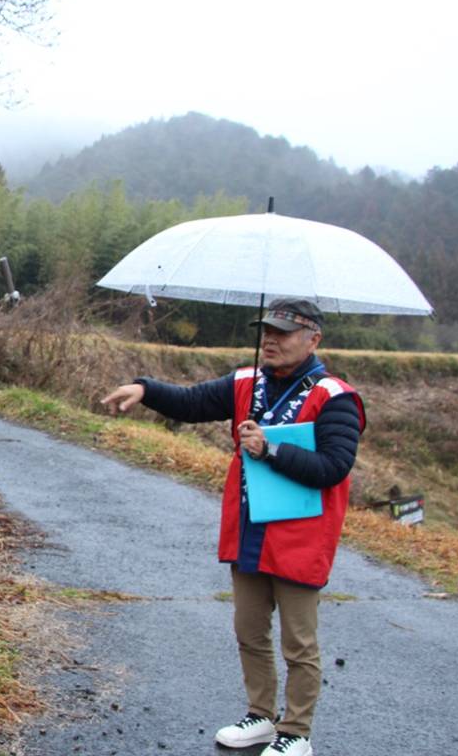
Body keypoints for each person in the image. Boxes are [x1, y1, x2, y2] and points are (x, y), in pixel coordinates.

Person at [101, 298, 364, 756]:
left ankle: (297, 732)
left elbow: (335, 466)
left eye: (283, 332)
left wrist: (271, 450)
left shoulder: (336, 396)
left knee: (299, 641)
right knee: (249, 629)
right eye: (267, 330)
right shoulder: (246, 381)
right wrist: (145, 389)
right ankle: (261, 716)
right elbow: (191, 401)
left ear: (313, 339)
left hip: (302, 538)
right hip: (250, 531)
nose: (271, 340)